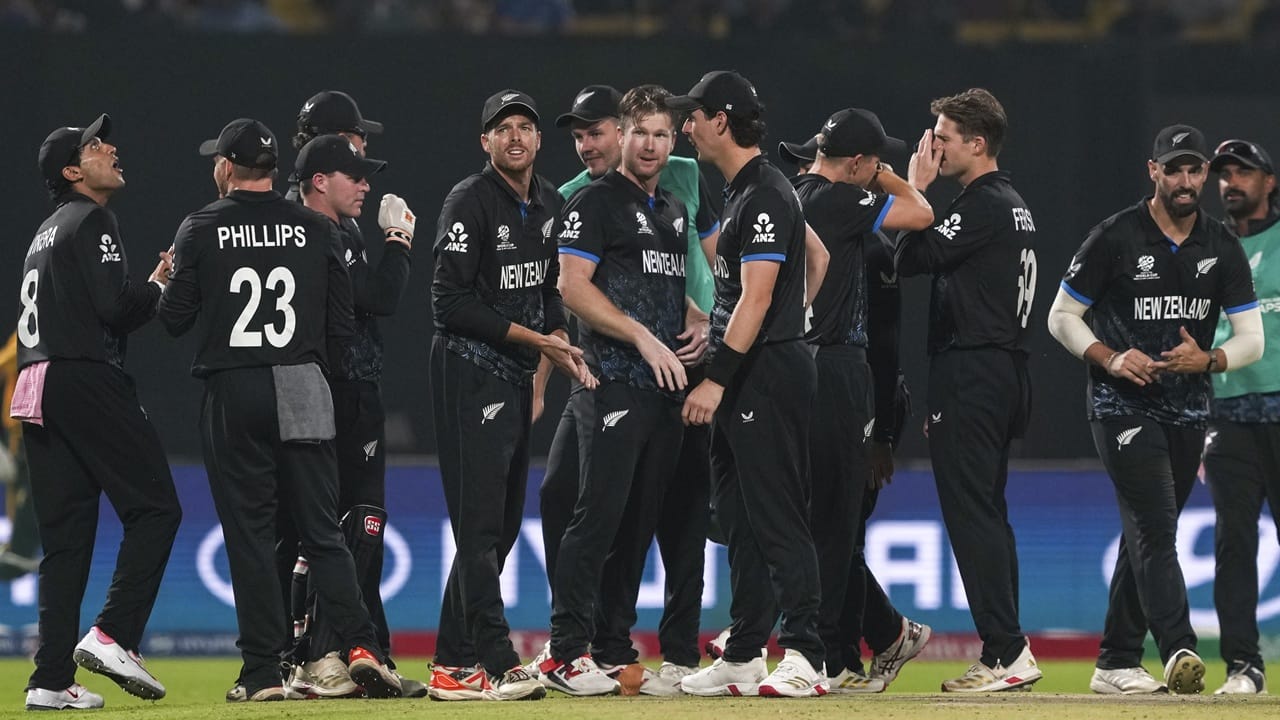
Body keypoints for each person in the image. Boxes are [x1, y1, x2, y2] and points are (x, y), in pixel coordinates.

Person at [157, 118, 401, 702]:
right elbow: (341, 329)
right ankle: (362, 645)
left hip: (235, 387)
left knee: (250, 536)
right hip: (304, 383)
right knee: (322, 531)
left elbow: (173, 320)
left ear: (225, 167)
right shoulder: (316, 228)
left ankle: (263, 673)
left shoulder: (201, 226)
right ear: (272, 169)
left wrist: (168, 278)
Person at [1047, 124, 1263, 695]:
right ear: (1154, 172)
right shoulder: (1115, 237)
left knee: (1143, 534)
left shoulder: (1221, 245)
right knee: (1156, 524)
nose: (1186, 180)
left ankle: (1116, 661)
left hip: (1188, 412)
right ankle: (1179, 648)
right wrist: (1112, 358)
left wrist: (1210, 360)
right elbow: (1061, 317)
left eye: (1194, 170)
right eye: (1174, 169)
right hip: (1120, 404)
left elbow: (1253, 339)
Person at [531, 83, 718, 693]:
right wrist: (641, 336)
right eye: (641, 133)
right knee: (597, 518)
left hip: (664, 390)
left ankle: (612, 649)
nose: (651, 145)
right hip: (612, 381)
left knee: (637, 527)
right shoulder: (593, 202)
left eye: (662, 134)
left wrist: (697, 318)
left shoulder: (673, 209)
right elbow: (572, 286)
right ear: (624, 135)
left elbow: (660, 284)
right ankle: (565, 652)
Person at [665, 70, 830, 698]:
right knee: (739, 518)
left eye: (694, 115)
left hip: (763, 374)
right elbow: (816, 259)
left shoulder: (763, 193)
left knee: (777, 514)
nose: (686, 126)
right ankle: (743, 653)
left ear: (722, 121)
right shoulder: (746, 192)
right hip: (753, 368)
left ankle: (807, 653)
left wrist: (720, 377)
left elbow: (756, 299)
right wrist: (791, 318)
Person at [428, 89, 591, 702]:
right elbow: (448, 303)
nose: (516, 136)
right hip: (468, 370)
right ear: (486, 142)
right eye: (503, 128)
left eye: (525, 126)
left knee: (499, 526)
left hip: (516, 376)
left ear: (539, 140)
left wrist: (550, 358)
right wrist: (534, 342)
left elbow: (551, 292)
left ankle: (451, 664)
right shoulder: (469, 200)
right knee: (478, 526)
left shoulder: (551, 201)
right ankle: (497, 659)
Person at [14, 114, 180, 711]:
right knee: (157, 508)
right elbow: (117, 308)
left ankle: (49, 679)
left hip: (35, 384)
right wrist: (158, 289)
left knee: (65, 542)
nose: (109, 147)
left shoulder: (45, 232)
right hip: (83, 375)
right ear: (71, 171)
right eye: (93, 145)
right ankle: (114, 634)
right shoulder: (92, 218)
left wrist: (147, 287)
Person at [894, 88, 1041, 692]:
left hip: (973, 372)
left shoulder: (982, 204)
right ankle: (1007, 647)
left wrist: (916, 189)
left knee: (971, 513)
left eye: (943, 138)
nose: (933, 147)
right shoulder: (1014, 204)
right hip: (1004, 370)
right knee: (989, 512)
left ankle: (1006, 652)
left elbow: (909, 256)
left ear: (977, 144)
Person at [280, 89, 420, 699]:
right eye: (357, 141)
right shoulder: (318, 223)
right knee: (338, 529)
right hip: (332, 389)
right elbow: (377, 298)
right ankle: (317, 656)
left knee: (343, 530)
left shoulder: (329, 218)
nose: (364, 153)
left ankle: (361, 651)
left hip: (333, 387)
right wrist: (399, 242)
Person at [793, 108, 935, 693]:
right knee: (835, 530)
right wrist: (893, 178)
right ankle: (833, 649)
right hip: (839, 377)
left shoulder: (798, 201)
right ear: (858, 164)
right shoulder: (842, 205)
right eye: (874, 162)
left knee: (825, 526)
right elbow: (921, 212)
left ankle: (836, 652)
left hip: (808, 370)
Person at [1201, 138, 1278, 695]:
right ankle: (1244, 667)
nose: (1232, 182)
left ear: (1269, 183)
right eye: (1224, 174)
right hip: (1227, 415)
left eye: (1243, 172)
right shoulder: (1209, 247)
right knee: (1233, 546)